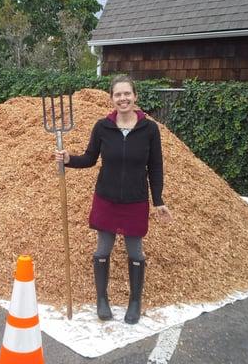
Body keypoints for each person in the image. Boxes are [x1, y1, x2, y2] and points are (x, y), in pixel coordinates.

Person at [55, 75, 172, 324]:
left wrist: (158, 200)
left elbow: (156, 167)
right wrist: (68, 159)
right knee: (102, 250)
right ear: (111, 99)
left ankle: (134, 302)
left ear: (135, 96)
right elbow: (89, 158)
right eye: (118, 94)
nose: (123, 98)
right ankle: (102, 299)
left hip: (135, 200)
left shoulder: (149, 129)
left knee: (135, 252)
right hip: (106, 198)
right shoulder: (102, 127)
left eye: (127, 94)